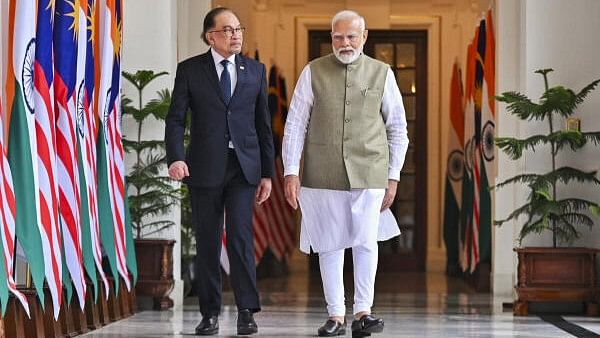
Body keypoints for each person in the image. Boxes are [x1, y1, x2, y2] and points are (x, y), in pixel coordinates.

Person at [282, 9, 409, 338]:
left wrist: (393, 175)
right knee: (330, 244)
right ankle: (335, 315)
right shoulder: (313, 71)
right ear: (331, 37)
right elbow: (295, 124)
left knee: (366, 241)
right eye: (338, 36)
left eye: (352, 36)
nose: (345, 42)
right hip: (321, 172)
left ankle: (363, 312)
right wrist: (290, 171)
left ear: (364, 37)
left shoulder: (382, 73)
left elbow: (398, 128)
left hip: (371, 170)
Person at [165, 7, 274, 336]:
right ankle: (209, 313)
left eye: (238, 29)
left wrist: (267, 173)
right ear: (210, 36)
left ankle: (246, 311)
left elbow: (263, 126)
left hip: (243, 169)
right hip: (204, 167)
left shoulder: (255, 70)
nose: (236, 35)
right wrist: (175, 157)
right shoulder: (190, 70)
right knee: (208, 241)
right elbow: (175, 119)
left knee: (240, 238)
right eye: (228, 30)